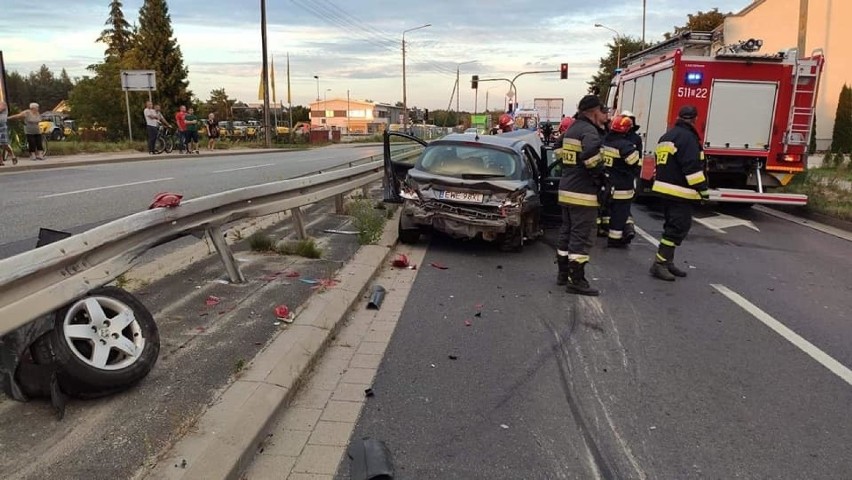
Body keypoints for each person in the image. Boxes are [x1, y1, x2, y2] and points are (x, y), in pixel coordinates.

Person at [554, 95, 609, 296]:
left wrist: (570, 166)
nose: (606, 117)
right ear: (594, 111)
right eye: (604, 112)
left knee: (566, 233)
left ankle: (562, 274)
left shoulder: (573, 128)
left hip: (567, 189)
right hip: (583, 193)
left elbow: (557, 148)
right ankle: (576, 280)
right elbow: (591, 157)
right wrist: (600, 177)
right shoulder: (589, 131)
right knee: (581, 236)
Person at [649, 105, 709, 281]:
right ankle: (659, 264)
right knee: (677, 228)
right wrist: (703, 190)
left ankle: (667, 262)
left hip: (664, 189)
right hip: (680, 192)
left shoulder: (667, 136)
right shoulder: (688, 139)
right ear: (695, 119)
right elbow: (692, 168)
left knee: (672, 225)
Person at [601, 115, 641, 248]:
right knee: (620, 212)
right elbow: (634, 162)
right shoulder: (625, 145)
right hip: (622, 186)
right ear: (627, 130)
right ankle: (615, 239)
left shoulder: (604, 141)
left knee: (606, 209)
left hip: (605, 184)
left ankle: (605, 229)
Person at [620, 110, 643, 242]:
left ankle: (627, 228)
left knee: (624, 204)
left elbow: (638, 159)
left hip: (628, 176)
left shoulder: (636, 139)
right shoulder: (616, 137)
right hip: (615, 176)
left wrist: (636, 177)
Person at [0, 101, 17, 165]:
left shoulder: (2, 103)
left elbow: (1, 109)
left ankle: (13, 155)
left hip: (2, 127)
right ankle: (1, 161)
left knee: (4, 144)